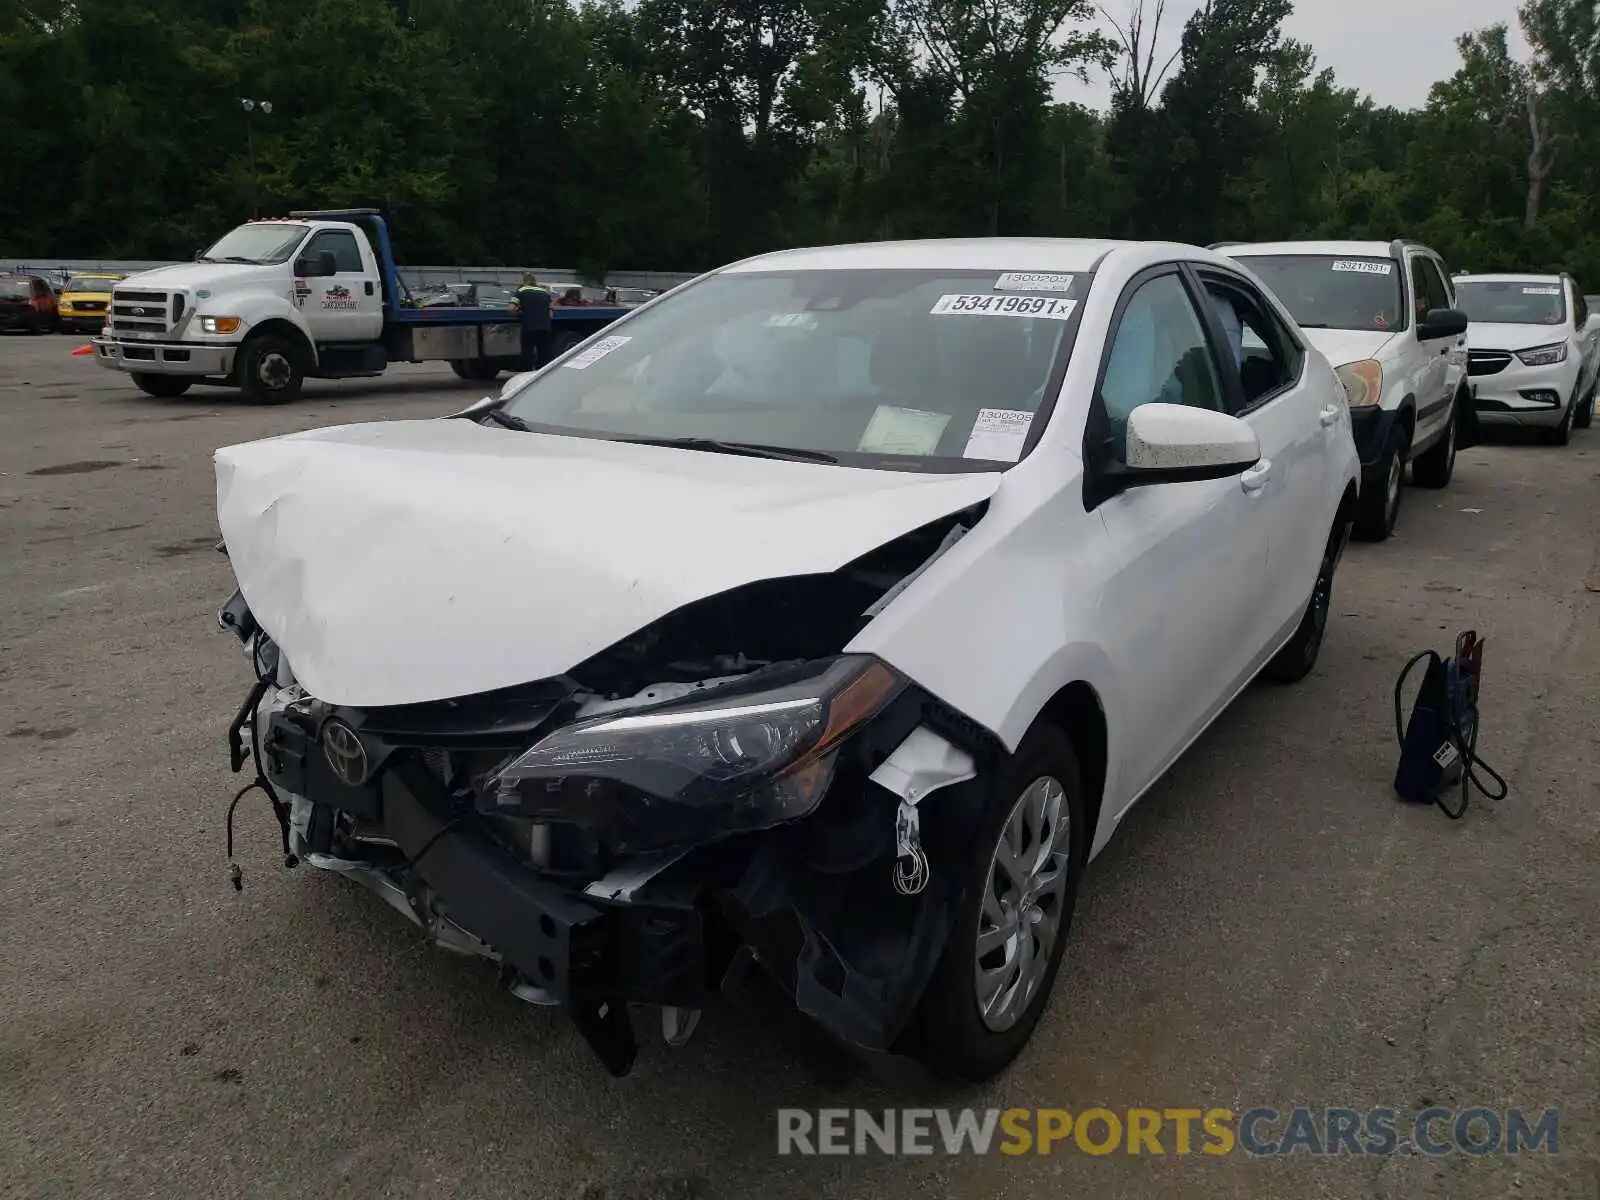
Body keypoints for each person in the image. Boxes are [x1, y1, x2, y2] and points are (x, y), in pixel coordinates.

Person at [510, 272, 553, 369]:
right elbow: (550, 313)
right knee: (544, 353)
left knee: (527, 352)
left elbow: (512, 309)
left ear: (525, 281)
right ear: (535, 281)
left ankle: (527, 373)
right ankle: (542, 373)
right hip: (544, 328)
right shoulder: (544, 292)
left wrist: (519, 312)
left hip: (529, 327)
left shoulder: (521, 291)